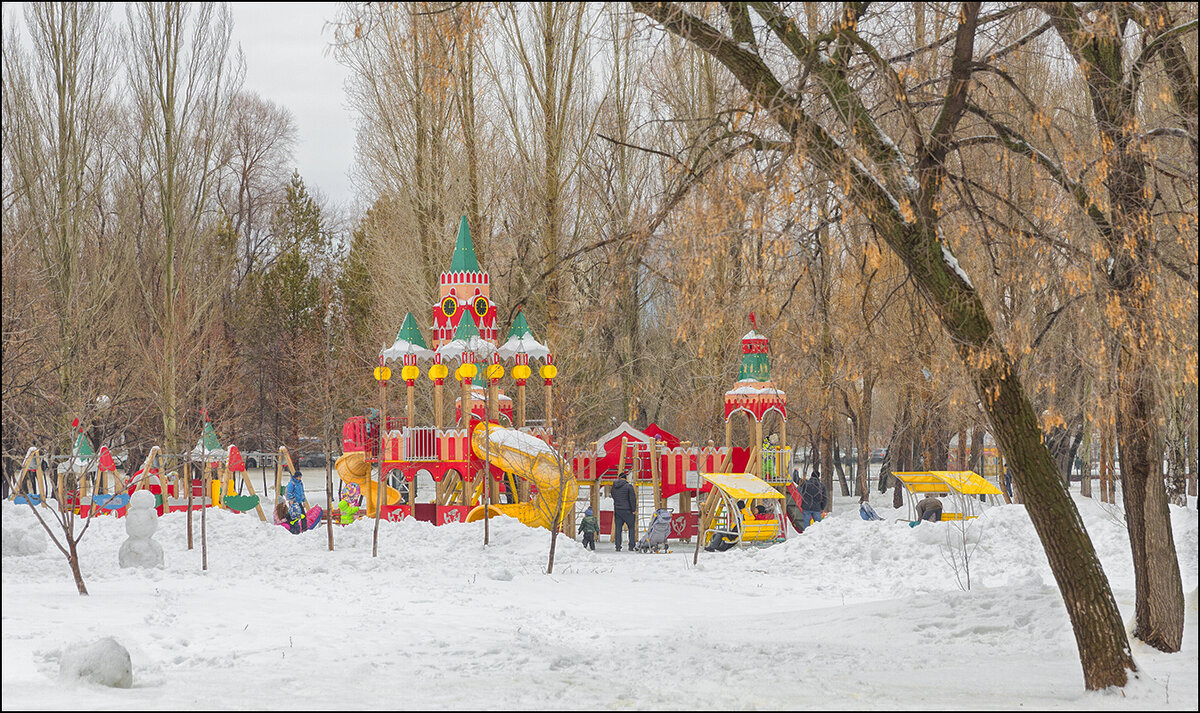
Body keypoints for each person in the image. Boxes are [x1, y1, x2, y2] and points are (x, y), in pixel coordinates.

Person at [611, 472, 637, 552]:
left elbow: (613, 496)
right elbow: (632, 499)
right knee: (631, 528)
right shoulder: (629, 486)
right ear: (626, 478)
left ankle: (618, 546)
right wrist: (633, 510)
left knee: (618, 529)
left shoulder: (614, 486)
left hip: (618, 510)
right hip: (628, 510)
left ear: (619, 478)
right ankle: (631, 546)